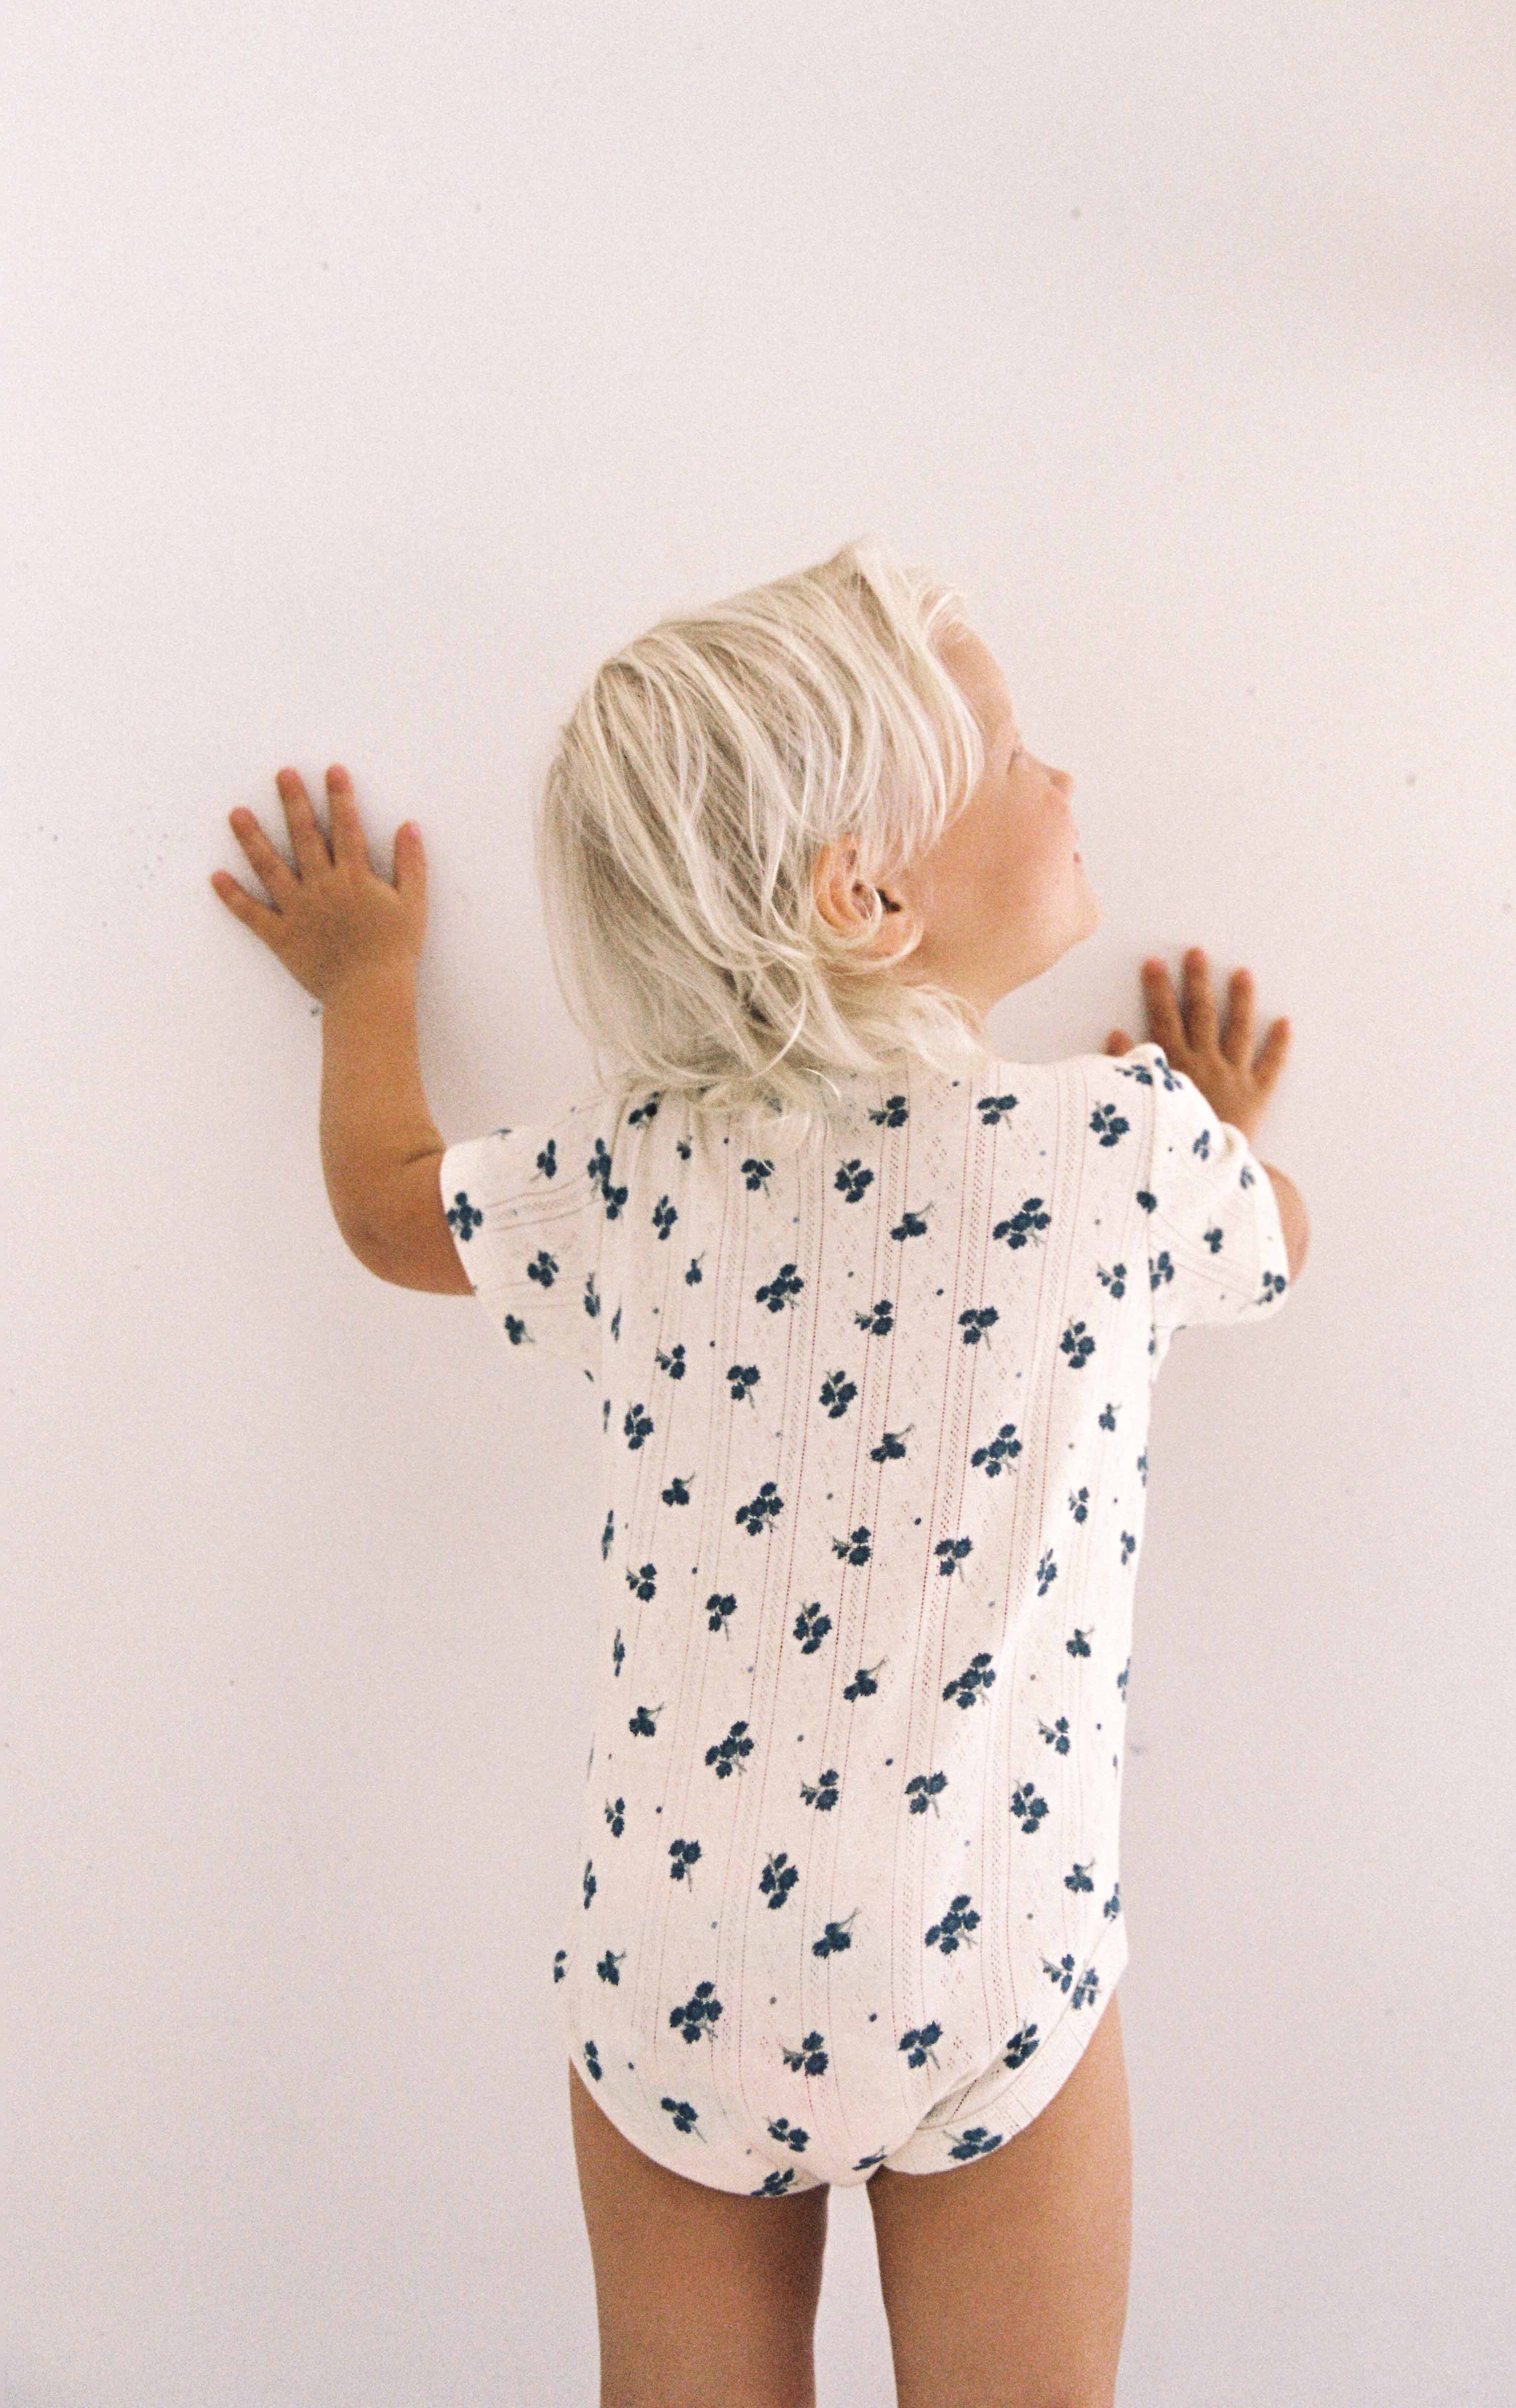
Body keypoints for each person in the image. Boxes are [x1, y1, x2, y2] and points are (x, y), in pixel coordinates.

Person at [211, 535, 1307, 2408]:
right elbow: (1275, 1239)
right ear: (865, 893)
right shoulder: (1126, 1153)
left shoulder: (641, 1161)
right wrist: (1217, 1129)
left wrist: (364, 977)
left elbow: (395, 1216)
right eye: (1011, 745)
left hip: (683, 1949)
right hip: (991, 1942)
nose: (1061, 777)